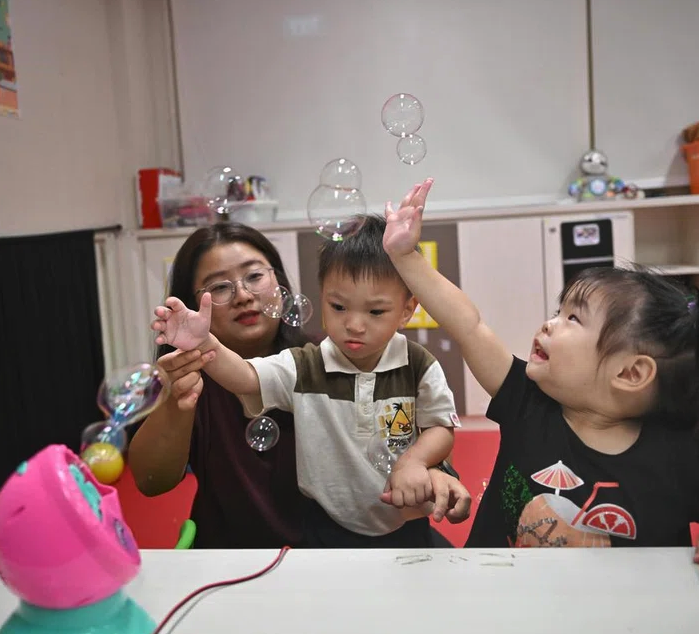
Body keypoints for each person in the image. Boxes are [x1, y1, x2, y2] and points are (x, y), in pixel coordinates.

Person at [382, 178, 699, 593]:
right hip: (507, 600)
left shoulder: (676, 450)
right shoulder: (526, 402)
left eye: (574, 319)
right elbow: (470, 325)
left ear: (630, 373)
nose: (550, 323)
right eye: (559, 311)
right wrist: (406, 256)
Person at [151, 215, 470, 548]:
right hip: (325, 526)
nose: (355, 325)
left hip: (404, 516)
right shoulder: (304, 365)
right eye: (338, 306)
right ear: (322, 297)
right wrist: (205, 343)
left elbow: (439, 427)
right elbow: (246, 376)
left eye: (375, 311)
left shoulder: (418, 364)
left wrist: (417, 462)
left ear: (407, 310)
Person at [129, 223, 311, 548]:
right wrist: (175, 404)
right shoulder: (184, 378)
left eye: (255, 276)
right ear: (192, 304)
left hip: (328, 556)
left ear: (279, 282)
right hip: (225, 561)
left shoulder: (323, 362)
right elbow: (150, 481)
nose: (243, 295)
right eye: (220, 287)